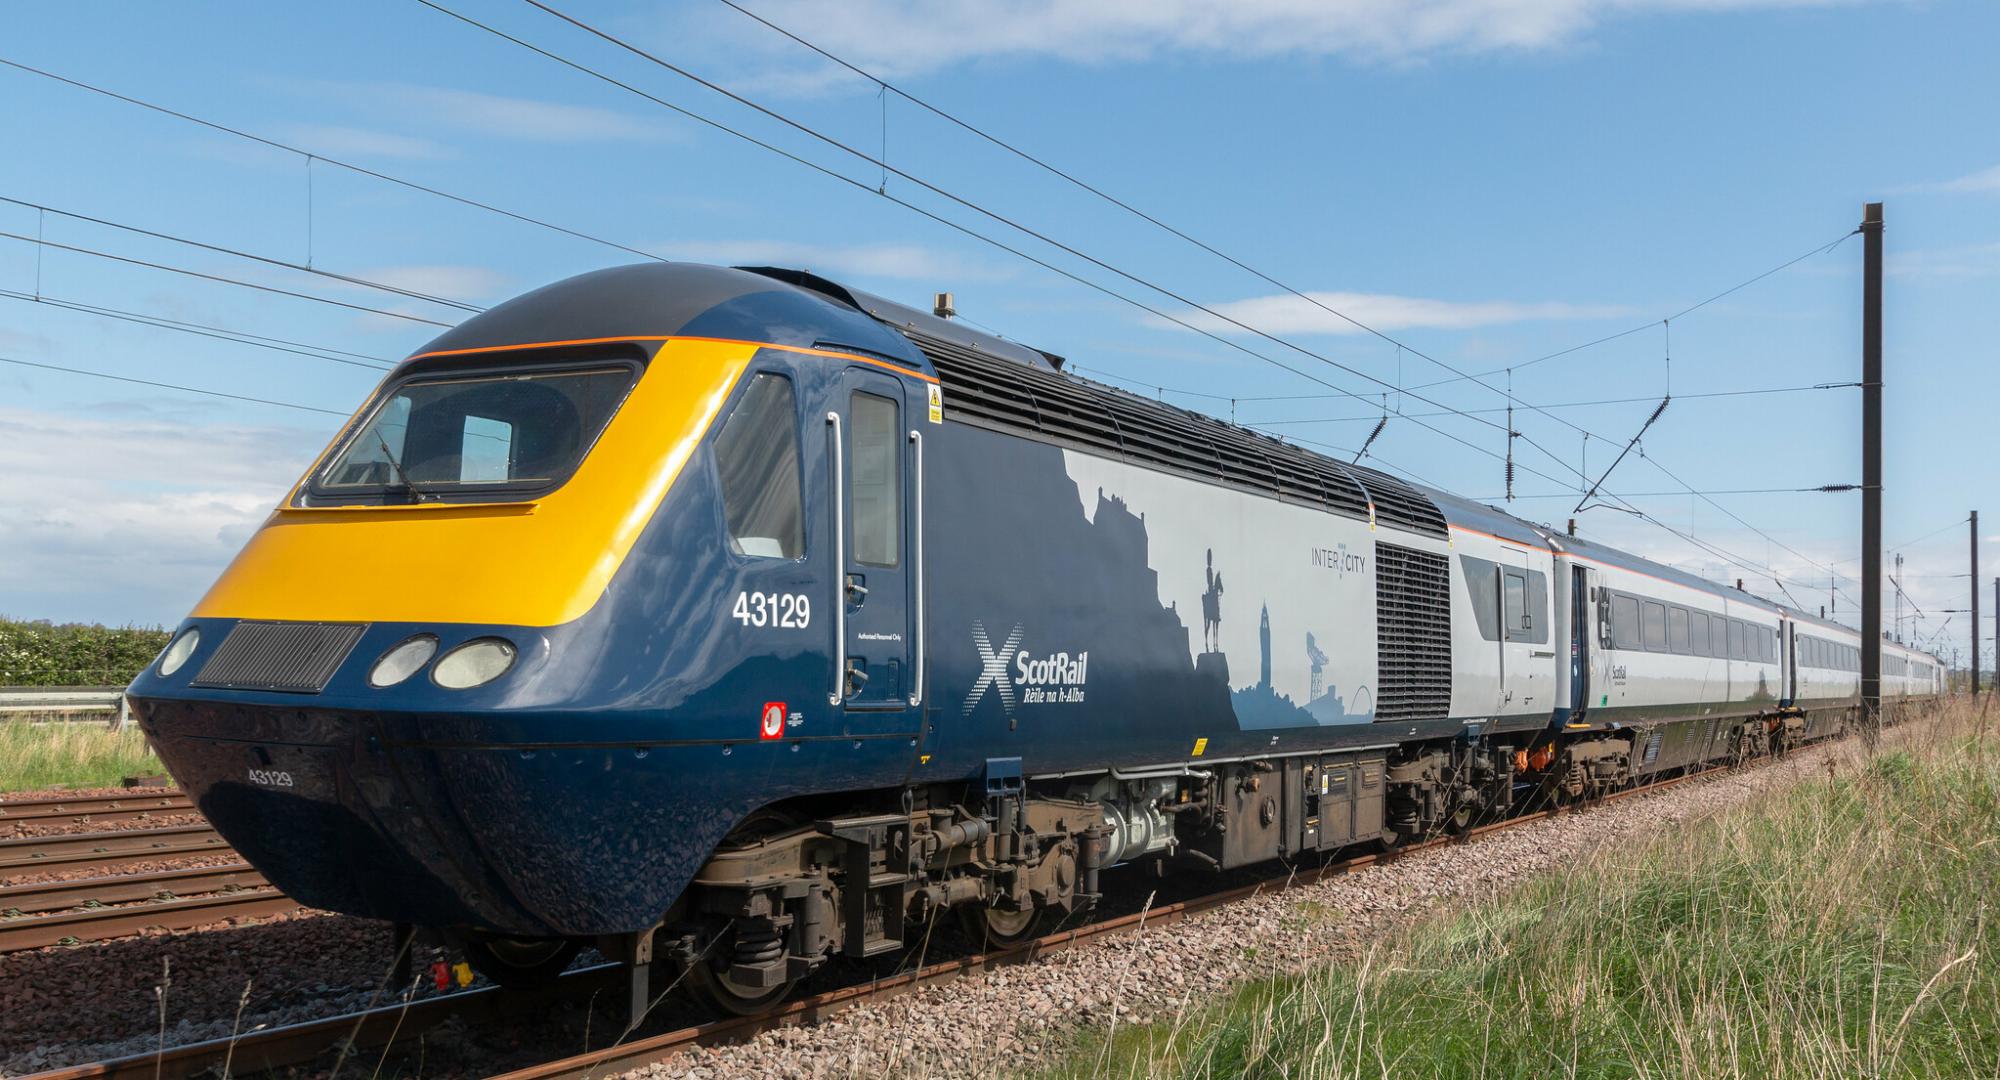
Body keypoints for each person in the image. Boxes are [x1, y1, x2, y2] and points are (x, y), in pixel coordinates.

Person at [1202, 548, 1224, 653]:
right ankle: (1207, 642)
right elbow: (1209, 582)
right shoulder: (1208, 571)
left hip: (1213, 590)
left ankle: (1215, 644)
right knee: (1209, 625)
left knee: (1216, 603)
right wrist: (1213, 586)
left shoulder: (1210, 570)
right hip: (1210, 590)